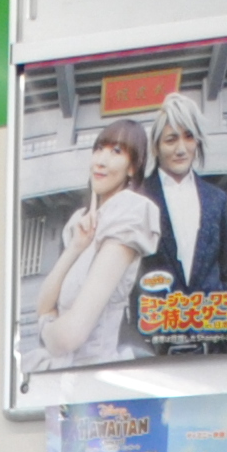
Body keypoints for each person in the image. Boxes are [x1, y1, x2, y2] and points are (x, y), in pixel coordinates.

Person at [29, 118, 160, 374]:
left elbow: (70, 335)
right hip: (58, 372)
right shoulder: (80, 221)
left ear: (132, 167)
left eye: (116, 151)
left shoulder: (130, 211)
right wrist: (75, 248)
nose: (100, 160)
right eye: (99, 148)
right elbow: (42, 304)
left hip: (94, 376)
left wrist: (46, 327)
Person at [138, 94, 227, 353]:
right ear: (156, 146)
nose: (181, 148)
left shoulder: (216, 199)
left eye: (188, 137)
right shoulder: (137, 198)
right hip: (154, 348)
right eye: (171, 139)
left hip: (213, 346)